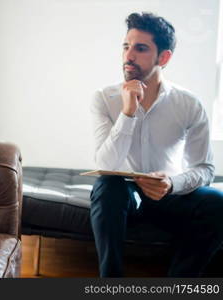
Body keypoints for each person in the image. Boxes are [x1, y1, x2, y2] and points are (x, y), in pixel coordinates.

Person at [90, 12, 223, 277]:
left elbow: (205, 169)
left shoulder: (189, 105)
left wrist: (172, 184)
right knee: (107, 186)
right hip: (125, 196)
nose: (128, 56)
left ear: (164, 57)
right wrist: (128, 113)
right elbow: (106, 166)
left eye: (140, 48)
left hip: (169, 194)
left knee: (218, 201)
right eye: (126, 46)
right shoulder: (105, 98)